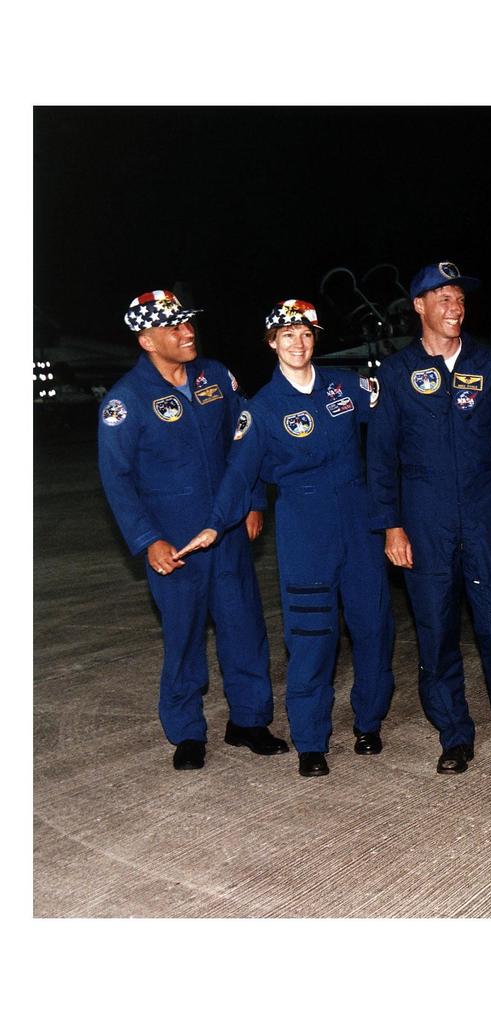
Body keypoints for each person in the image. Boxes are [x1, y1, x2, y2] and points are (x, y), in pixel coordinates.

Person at [177, 300, 396, 778]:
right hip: (305, 526)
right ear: (272, 343)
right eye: (288, 335)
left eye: (306, 334)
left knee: (373, 625)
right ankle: (311, 741)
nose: (299, 343)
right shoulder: (261, 409)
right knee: (312, 635)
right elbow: (239, 475)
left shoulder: (345, 386)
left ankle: (369, 722)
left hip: (360, 520)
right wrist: (215, 523)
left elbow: (396, 412)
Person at [366, 261, 491, 774]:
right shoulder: (396, 373)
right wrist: (392, 526)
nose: (455, 307)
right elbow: (381, 458)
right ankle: (454, 735)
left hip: (485, 518)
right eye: (443, 298)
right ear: (419, 306)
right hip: (424, 523)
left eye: (460, 299)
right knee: (435, 630)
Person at [97, 290, 286, 770]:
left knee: (244, 626)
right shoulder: (125, 400)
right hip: (175, 542)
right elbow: (117, 479)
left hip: (227, 530)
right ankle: (186, 731)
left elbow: (245, 442)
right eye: (174, 327)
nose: (187, 332)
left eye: (187, 323)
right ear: (146, 340)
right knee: (183, 635)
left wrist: (253, 500)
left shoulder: (215, 376)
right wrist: (147, 540)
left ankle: (249, 720)